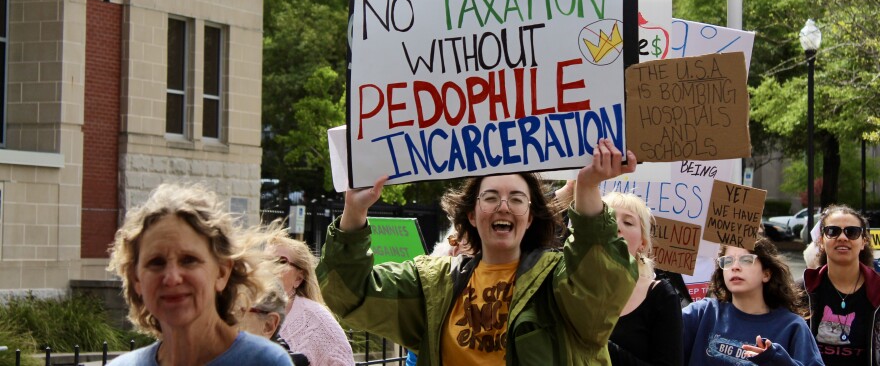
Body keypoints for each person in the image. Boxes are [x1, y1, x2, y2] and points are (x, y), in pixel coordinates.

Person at [318, 137, 639, 365]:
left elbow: (603, 280)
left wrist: (588, 187)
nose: (503, 206)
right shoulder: (434, 285)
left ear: (529, 217)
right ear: (471, 214)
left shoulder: (557, 284)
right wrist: (354, 213)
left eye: (516, 198)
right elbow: (347, 291)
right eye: (490, 197)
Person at [106, 183, 293, 365]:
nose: (172, 278)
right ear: (136, 278)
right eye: (156, 262)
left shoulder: (265, 362)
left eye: (189, 260)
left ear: (222, 272)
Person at [682, 238, 822, 366]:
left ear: (766, 274)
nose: (735, 267)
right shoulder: (702, 313)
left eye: (746, 260)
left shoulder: (792, 326)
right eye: (727, 261)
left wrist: (776, 358)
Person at [603, 192, 683, 366]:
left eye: (628, 222)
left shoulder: (662, 297)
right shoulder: (572, 287)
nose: (617, 226)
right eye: (608, 218)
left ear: (643, 243)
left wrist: (603, 347)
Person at [804, 204, 880, 365]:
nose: (843, 237)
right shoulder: (801, 291)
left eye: (852, 232)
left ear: (863, 242)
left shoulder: (878, 290)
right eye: (833, 231)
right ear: (821, 241)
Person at [269, 232, 355, 366]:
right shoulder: (245, 309)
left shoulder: (317, 319)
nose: (269, 267)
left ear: (299, 278)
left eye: (281, 261)